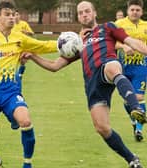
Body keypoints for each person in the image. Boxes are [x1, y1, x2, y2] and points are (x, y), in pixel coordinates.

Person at [20, 1, 147, 168]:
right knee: (102, 127)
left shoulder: (108, 27)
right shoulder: (77, 41)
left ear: (94, 13)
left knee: (112, 68)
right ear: (78, 17)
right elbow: (55, 66)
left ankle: (135, 107)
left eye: (87, 11)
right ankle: (132, 159)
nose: (84, 15)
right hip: (93, 85)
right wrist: (33, 57)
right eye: (80, 13)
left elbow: (132, 42)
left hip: (107, 66)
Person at [0, 1, 57, 168]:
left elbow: (42, 46)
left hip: (10, 93)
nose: (12, 17)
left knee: (25, 121)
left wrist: (62, 43)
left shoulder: (19, 37)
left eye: (13, 14)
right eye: (7, 14)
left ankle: (27, 164)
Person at [115, 0, 147, 142]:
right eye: (132, 9)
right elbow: (111, 42)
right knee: (128, 99)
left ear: (142, 12)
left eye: (138, 10)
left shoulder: (146, 26)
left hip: (141, 66)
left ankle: (139, 130)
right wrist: (123, 47)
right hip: (123, 67)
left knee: (139, 98)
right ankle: (134, 121)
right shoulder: (119, 25)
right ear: (128, 10)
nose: (135, 12)